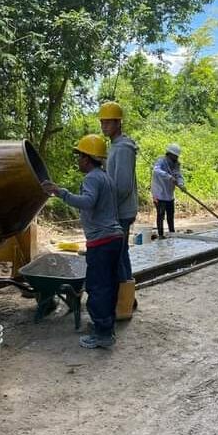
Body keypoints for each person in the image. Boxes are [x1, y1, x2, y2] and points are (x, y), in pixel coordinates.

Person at [41, 135, 124, 349]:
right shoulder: (106, 178)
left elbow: (88, 202)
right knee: (109, 286)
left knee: (97, 287)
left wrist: (60, 192)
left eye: (79, 156)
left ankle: (103, 334)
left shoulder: (92, 179)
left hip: (102, 241)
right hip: (114, 238)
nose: (78, 160)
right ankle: (106, 327)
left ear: (87, 158)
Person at [100, 101, 137, 284]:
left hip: (121, 211)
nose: (104, 126)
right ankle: (127, 299)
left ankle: (125, 301)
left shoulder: (123, 148)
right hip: (119, 210)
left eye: (108, 122)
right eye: (102, 122)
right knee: (121, 255)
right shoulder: (115, 145)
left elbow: (123, 186)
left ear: (118, 123)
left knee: (118, 256)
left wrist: (108, 207)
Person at [151, 143, 185, 238]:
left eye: (177, 156)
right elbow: (156, 171)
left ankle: (172, 233)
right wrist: (169, 177)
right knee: (161, 215)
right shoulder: (161, 161)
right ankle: (161, 235)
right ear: (169, 154)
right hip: (159, 193)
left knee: (170, 216)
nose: (176, 158)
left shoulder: (176, 164)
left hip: (170, 194)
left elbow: (178, 175)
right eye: (174, 156)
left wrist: (181, 184)